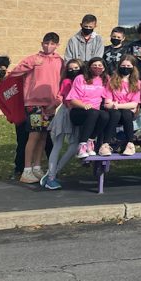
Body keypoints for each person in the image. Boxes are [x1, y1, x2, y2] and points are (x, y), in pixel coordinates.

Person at [8, 32, 63, 182]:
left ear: (57, 45)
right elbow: (15, 72)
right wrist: (31, 64)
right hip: (34, 103)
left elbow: (62, 83)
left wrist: (57, 101)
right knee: (34, 135)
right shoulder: (33, 59)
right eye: (46, 43)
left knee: (44, 136)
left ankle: (37, 167)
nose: (48, 46)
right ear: (41, 43)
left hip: (50, 105)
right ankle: (26, 170)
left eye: (52, 44)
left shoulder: (60, 61)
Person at [39, 59, 82, 190]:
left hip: (77, 114)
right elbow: (66, 99)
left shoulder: (84, 81)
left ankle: (54, 171)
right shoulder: (66, 82)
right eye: (70, 69)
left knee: (75, 146)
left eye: (76, 68)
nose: (73, 71)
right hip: (66, 114)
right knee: (57, 145)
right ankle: (51, 178)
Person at [0, 55, 28, 180]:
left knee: (44, 140)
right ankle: (19, 169)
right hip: (18, 120)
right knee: (21, 145)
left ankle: (52, 167)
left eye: (0, 67)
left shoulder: (17, 77)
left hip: (30, 114)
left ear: (6, 67)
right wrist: (11, 117)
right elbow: (2, 105)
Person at [100, 55, 141, 156]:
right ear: (119, 66)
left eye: (128, 66)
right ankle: (105, 144)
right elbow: (107, 103)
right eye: (123, 65)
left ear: (133, 67)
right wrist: (120, 106)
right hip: (114, 113)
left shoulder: (137, 83)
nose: (126, 68)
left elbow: (134, 104)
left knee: (126, 114)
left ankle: (130, 144)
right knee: (116, 114)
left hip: (127, 113)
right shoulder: (111, 81)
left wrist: (117, 105)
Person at [68, 57, 109, 159]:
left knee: (105, 115)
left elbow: (109, 95)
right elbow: (72, 100)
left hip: (95, 112)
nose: (97, 68)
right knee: (93, 113)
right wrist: (84, 105)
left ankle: (90, 141)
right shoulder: (81, 78)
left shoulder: (105, 79)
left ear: (104, 68)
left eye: (100, 66)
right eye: (94, 65)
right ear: (89, 67)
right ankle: (81, 145)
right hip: (79, 111)